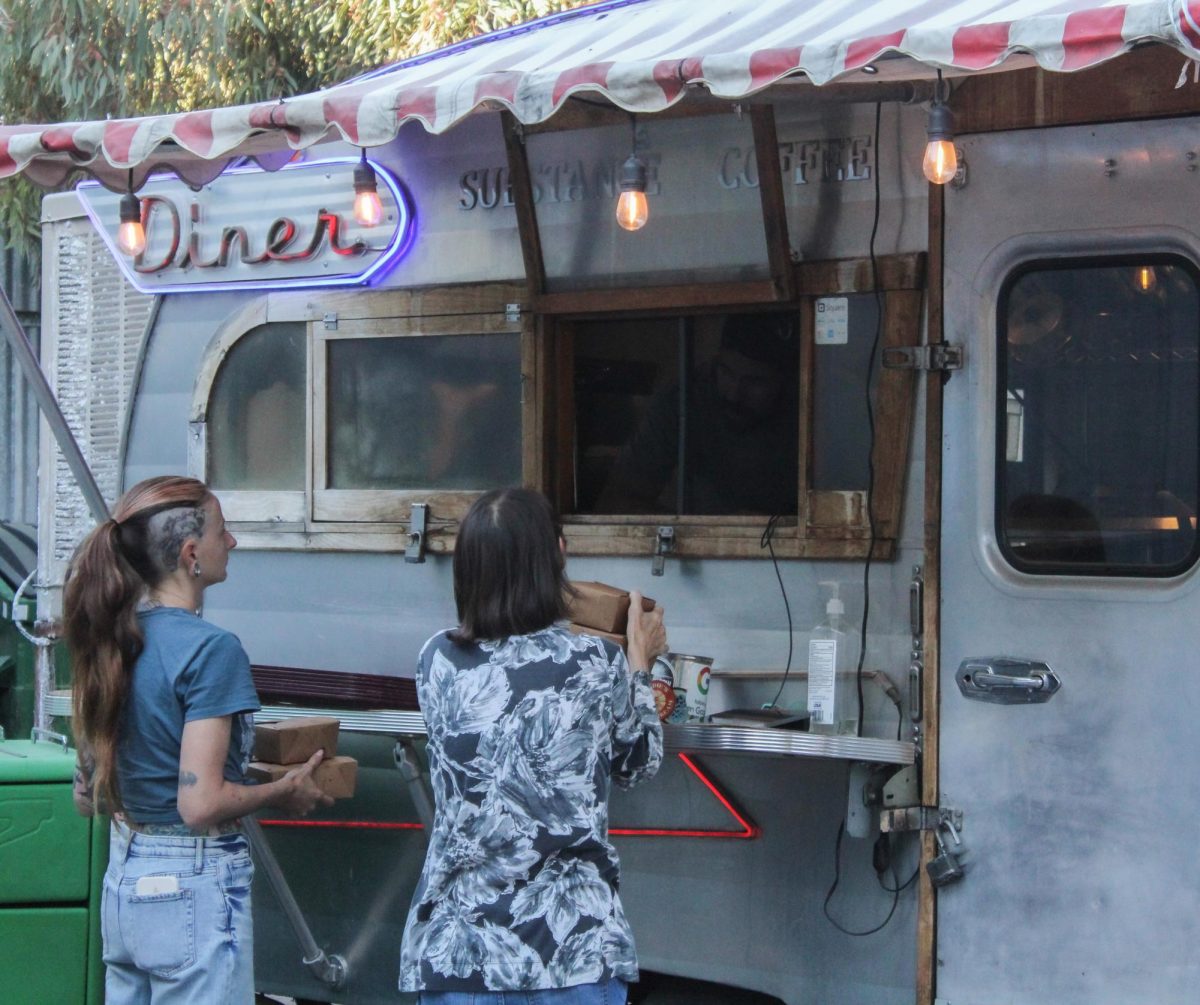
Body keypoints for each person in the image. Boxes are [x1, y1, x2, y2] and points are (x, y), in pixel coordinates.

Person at [66, 475, 331, 1004]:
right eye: (222, 532)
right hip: (192, 883)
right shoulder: (212, 650)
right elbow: (200, 803)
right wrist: (285, 789)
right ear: (191, 554)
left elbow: (84, 796)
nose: (230, 543)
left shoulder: (112, 638)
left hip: (125, 881)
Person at [400, 488, 666, 1004]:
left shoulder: (436, 659)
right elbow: (637, 762)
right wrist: (642, 663)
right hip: (572, 952)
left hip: (459, 954)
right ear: (558, 557)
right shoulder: (594, 662)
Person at [596, 311, 799, 515]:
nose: (733, 394)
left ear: (786, 382)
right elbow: (617, 501)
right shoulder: (683, 400)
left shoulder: (812, 415)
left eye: (756, 381)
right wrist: (703, 531)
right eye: (726, 371)